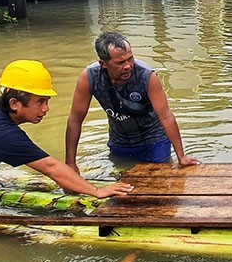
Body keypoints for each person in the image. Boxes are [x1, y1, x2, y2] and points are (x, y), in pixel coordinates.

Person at [0, 60, 133, 197]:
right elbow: (50, 167)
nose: (46, 109)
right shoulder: (2, 134)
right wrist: (97, 191)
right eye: (40, 102)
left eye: (47, 101)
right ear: (14, 103)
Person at [66, 32, 200, 172]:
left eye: (130, 59)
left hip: (154, 141)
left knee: (161, 183)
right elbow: (75, 120)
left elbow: (166, 117)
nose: (128, 66)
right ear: (103, 64)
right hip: (120, 142)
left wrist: (181, 156)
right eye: (120, 62)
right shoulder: (89, 78)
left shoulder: (146, 76)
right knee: (123, 184)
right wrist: (70, 163)